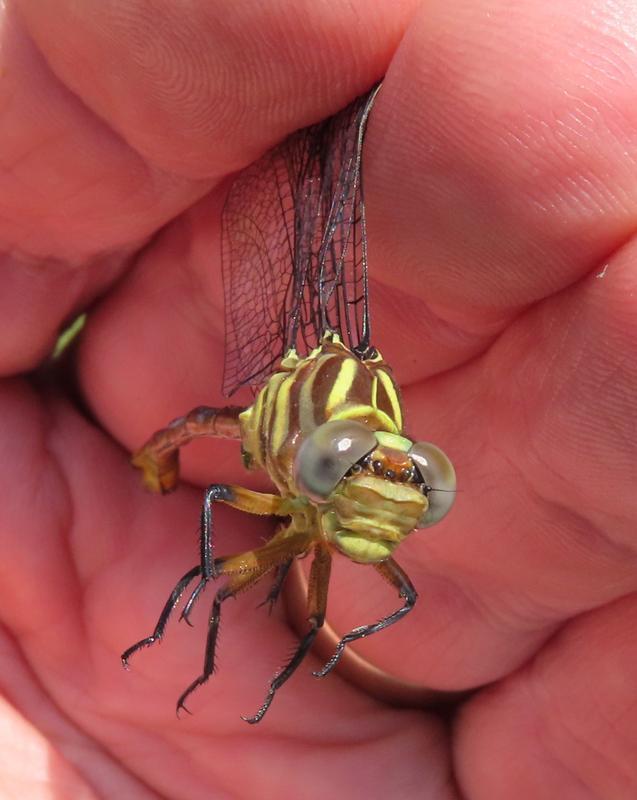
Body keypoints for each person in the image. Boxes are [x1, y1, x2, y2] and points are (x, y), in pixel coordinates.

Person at [1, 0, 636, 796]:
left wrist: (346, 650)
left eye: (418, 487)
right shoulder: (297, 477)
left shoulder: (342, 490)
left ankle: (291, 672)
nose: (392, 491)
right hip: (226, 431)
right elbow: (219, 505)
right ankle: (177, 601)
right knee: (213, 576)